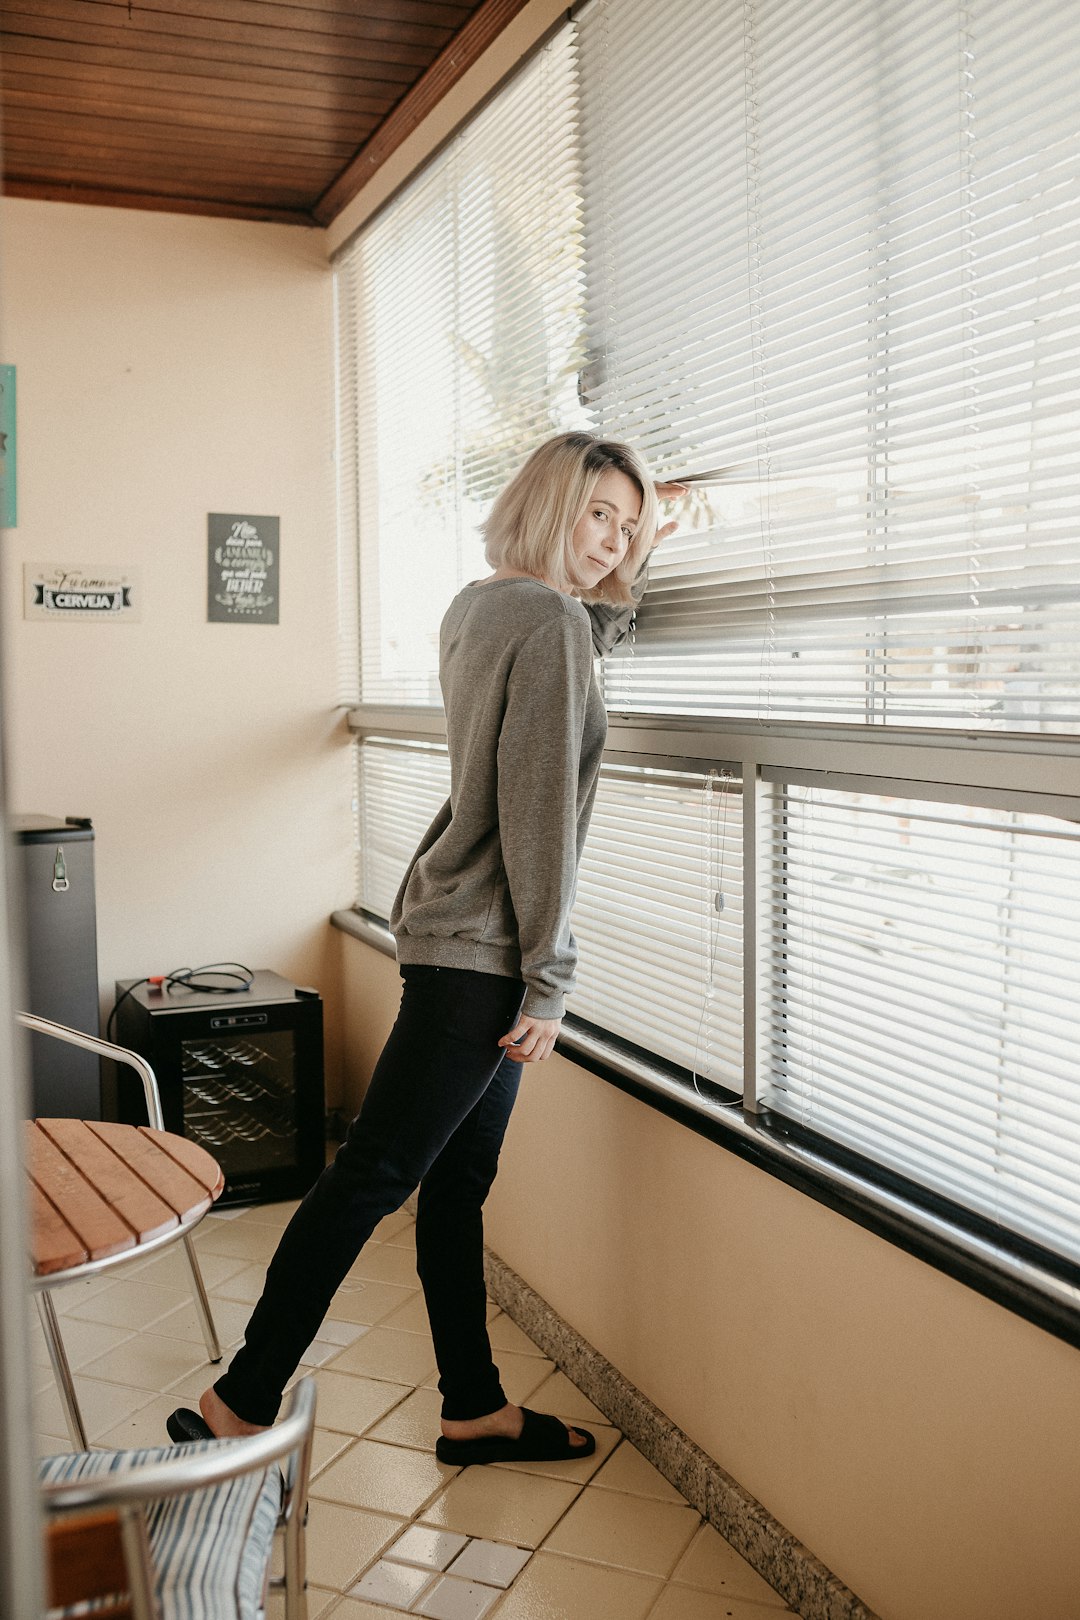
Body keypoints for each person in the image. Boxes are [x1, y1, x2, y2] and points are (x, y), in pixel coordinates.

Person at [169, 431, 680, 1465]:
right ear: (551, 504)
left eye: (631, 526)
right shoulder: (552, 625)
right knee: (372, 1177)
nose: (614, 538)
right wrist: (552, 981)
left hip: (450, 935)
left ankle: (473, 1406)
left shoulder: (482, 604)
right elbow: (537, 812)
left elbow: (562, 680)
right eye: (599, 515)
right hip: (489, 958)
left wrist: (628, 570)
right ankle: (240, 1400)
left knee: (452, 1185)